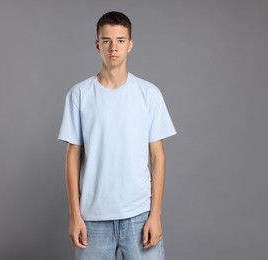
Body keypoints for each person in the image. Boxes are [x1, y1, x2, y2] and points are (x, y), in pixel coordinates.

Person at [58, 11, 176, 260]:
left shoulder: (149, 94)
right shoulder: (79, 95)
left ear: (130, 45)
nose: (114, 48)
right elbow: (72, 157)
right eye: (107, 40)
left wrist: (155, 215)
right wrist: (75, 215)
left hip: (139, 217)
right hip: (92, 220)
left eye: (121, 40)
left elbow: (158, 157)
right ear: (97, 44)